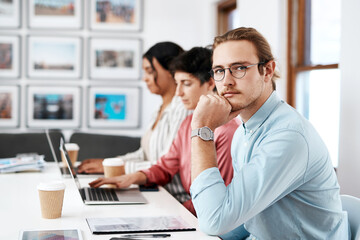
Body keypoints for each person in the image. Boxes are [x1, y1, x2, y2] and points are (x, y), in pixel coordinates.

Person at [189, 27, 349, 239]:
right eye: (219, 70)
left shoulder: (288, 135)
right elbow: (244, 219)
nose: (226, 81)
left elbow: (215, 221)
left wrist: (202, 131)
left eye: (239, 68)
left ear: (267, 71)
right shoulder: (243, 133)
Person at [89, 47, 240, 215]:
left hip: (208, 220)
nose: (178, 93)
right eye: (177, 84)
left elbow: (216, 202)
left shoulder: (227, 132)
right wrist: (132, 177)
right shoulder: (188, 123)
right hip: (191, 211)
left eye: (186, 84)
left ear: (210, 83)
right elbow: (166, 167)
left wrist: (171, 213)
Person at [78, 42, 191, 200]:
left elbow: (166, 164)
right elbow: (144, 154)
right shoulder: (159, 109)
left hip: (173, 198)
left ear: (172, 70)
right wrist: (111, 163)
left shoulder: (183, 108)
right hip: (154, 191)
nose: (145, 78)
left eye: (150, 71)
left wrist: (118, 168)